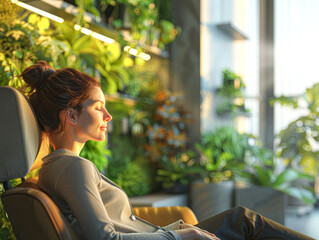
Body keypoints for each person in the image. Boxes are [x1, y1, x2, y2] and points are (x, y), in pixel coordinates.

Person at [20, 61, 314, 240]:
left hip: (162, 235)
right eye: (99, 108)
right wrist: (182, 235)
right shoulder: (72, 167)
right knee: (245, 221)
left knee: (243, 221)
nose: (108, 116)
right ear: (71, 116)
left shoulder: (53, 168)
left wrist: (177, 229)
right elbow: (105, 238)